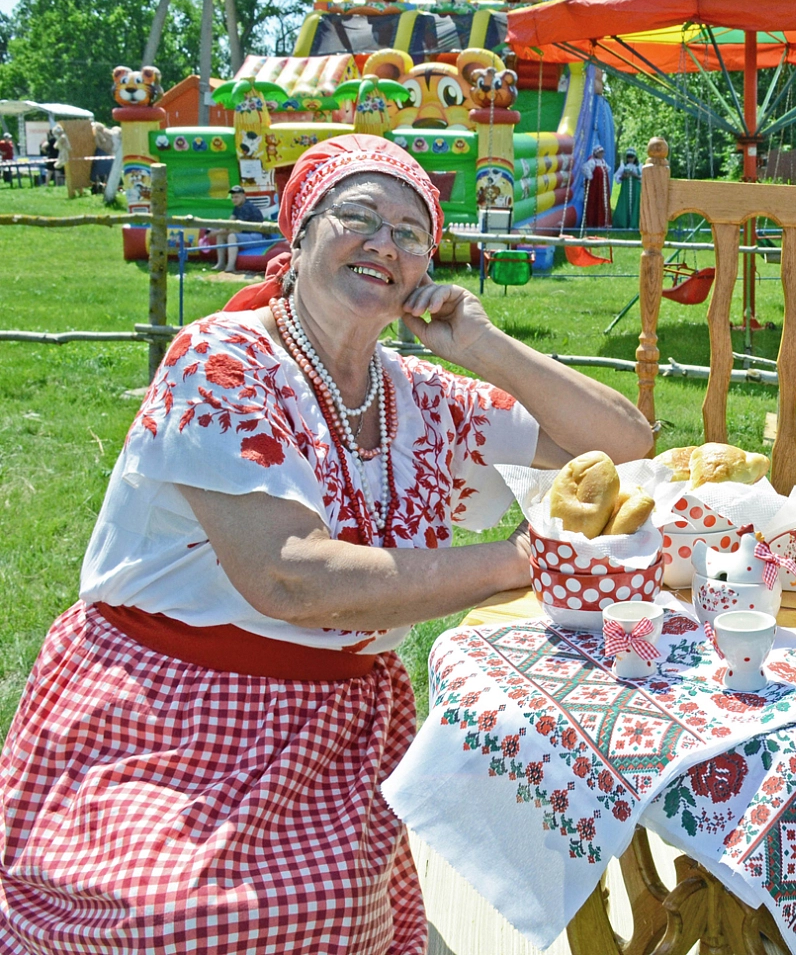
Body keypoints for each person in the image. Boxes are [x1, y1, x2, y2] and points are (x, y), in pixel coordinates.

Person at [0, 134, 653, 952]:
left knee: (328, 914)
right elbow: (287, 579)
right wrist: (527, 564)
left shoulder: (423, 395)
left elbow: (625, 449)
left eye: (412, 233)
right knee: (181, 922)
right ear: (299, 235)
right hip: (166, 710)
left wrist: (484, 346)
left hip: (334, 725)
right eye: (358, 216)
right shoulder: (221, 361)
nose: (385, 243)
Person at [212, 184, 270, 272]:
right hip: (248, 235)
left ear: (243, 196)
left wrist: (217, 232)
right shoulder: (237, 207)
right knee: (221, 236)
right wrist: (221, 230)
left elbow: (237, 229)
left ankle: (230, 267)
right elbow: (229, 223)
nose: (234, 199)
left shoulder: (246, 207)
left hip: (259, 237)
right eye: (232, 197)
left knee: (232, 236)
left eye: (236, 197)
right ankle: (220, 264)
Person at [580, 144, 611, 230]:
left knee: (603, 202)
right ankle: (594, 223)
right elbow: (584, 168)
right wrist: (590, 176)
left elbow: (607, 169)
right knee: (595, 202)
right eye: (600, 153)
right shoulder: (592, 162)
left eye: (602, 152)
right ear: (596, 153)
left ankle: (604, 222)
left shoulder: (603, 162)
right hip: (595, 187)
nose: (601, 154)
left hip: (603, 187)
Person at [611, 147, 642, 230]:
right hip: (625, 190)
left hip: (636, 190)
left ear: (635, 157)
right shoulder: (623, 166)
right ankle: (623, 223)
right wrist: (623, 177)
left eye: (632, 157)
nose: (630, 159)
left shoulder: (639, 166)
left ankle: (634, 224)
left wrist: (635, 175)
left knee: (636, 204)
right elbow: (616, 177)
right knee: (624, 205)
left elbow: (644, 179)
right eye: (628, 157)